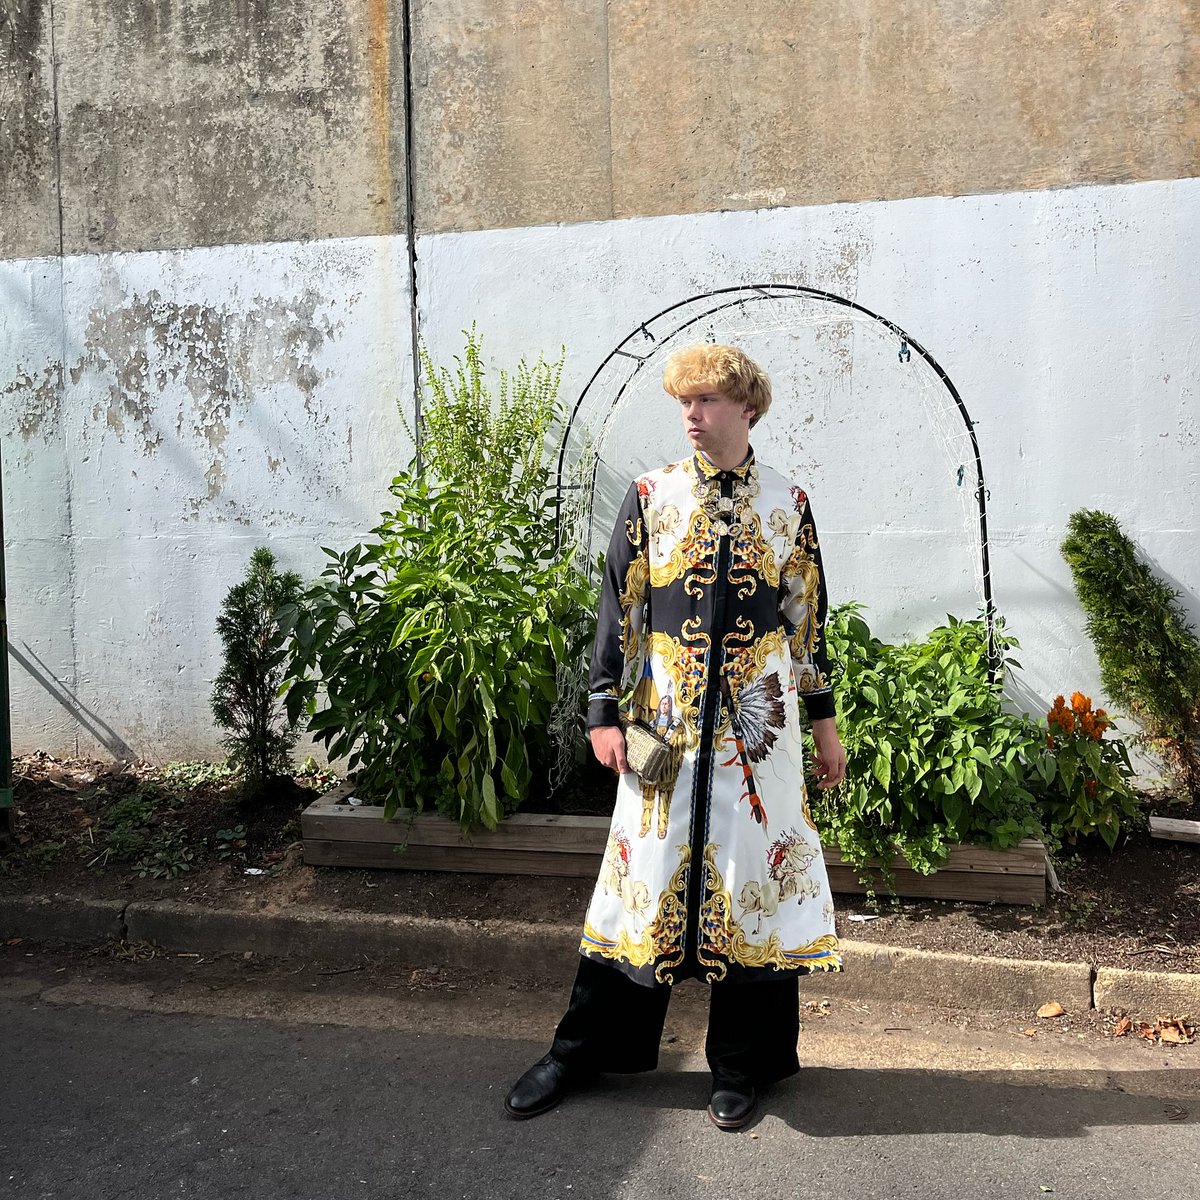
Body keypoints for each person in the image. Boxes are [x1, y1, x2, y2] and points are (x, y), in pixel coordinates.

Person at [504, 344, 847, 1130]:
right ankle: (578, 1051)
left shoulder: (787, 505)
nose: (692, 414)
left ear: (747, 407)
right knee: (639, 886)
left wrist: (826, 731)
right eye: (684, 402)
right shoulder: (651, 496)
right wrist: (602, 712)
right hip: (665, 730)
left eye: (707, 400)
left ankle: (740, 1065)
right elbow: (619, 610)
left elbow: (807, 629)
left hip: (758, 740)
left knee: (751, 889)